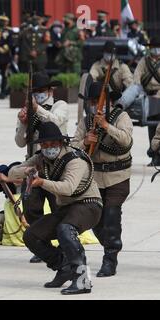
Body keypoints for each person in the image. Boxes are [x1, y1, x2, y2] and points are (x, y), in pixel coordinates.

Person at [7, 122, 102, 295]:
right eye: (44, 145)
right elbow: (12, 173)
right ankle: (64, 266)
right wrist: (28, 170)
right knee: (31, 235)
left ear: (61, 143)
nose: (49, 148)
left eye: (53, 144)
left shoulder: (75, 159)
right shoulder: (40, 159)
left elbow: (68, 188)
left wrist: (42, 182)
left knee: (65, 229)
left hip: (89, 205)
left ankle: (82, 280)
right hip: (67, 208)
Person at [74, 81, 133, 277]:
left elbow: (126, 141)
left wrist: (106, 126)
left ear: (108, 102)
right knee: (97, 221)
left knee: (111, 217)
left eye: (98, 101)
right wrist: (85, 142)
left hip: (118, 176)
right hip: (95, 177)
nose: (94, 105)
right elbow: (73, 147)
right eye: (91, 101)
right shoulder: (86, 121)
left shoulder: (121, 117)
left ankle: (110, 259)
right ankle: (108, 244)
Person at [15, 72, 68, 262]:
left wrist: (37, 110)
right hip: (35, 165)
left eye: (41, 91)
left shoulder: (59, 106)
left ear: (50, 90)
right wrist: (23, 123)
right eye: (34, 92)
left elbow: (56, 122)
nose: (38, 94)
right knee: (31, 207)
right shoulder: (29, 110)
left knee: (59, 207)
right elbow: (20, 142)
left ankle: (65, 245)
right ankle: (42, 244)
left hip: (57, 165)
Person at [117, 35, 160, 166]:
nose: (156, 50)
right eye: (153, 48)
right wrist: (139, 91)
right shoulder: (144, 61)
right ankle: (154, 157)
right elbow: (136, 77)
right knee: (152, 128)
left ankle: (156, 154)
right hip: (147, 96)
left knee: (158, 128)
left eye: (158, 48)